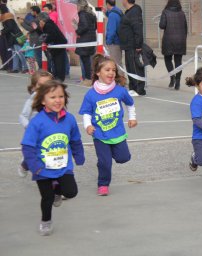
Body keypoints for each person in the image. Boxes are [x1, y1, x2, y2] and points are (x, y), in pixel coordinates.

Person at [21, 80, 85, 236]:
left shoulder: (69, 119)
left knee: (71, 192)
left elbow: (75, 139)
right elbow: (27, 146)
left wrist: (79, 155)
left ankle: (58, 190)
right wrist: (34, 166)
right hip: (42, 168)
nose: (58, 100)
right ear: (43, 100)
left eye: (61, 96)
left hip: (63, 166)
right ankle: (46, 221)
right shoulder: (37, 122)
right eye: (52, 97)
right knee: (47, 198)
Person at [79, 54, 137, 196]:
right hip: (100, 134)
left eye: (113, 70)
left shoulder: (120, 90)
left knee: (124, 158)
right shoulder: (91, 94)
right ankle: (103, 184)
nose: (111, 73)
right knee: (105, 162)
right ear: (98, 72)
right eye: (107, 70)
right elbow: (86, 112)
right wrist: (87, 126)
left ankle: (106, 159)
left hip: (117, 132)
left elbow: (130, 104)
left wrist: (132, 117)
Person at [18, 70, 53, 177]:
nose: (44, 88)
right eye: (40, 85)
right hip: (34, 133)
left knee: (50, 155)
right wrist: (29, 127)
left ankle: (54, 182)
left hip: (49, 132)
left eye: (47, 85)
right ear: (34, 87)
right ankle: (25, 165)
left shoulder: (55, 98)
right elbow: (22, 116)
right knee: (33, 155)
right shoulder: (32, 100)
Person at [119, 0, 146, 96]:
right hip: (127, 45)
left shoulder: (135, 12)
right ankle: (133, 87)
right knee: (130, 67)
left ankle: (139, 89)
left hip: (133, 46)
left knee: (135, 67)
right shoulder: (129, 12)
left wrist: (138, 45)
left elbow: (138, 29)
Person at [159, 0, 187, 91]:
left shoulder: (165, 12)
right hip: (180, 40)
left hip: (168, 39)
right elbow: (185, 27)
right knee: (178, 61)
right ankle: (178, 82)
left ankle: (172, 78)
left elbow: (162, 25)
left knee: (168, 59)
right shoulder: (182, 13)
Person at [35, 12, 67, 82]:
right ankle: (56, 76)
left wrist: (46, 40)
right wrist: (38, 29)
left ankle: (60, 77)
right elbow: (44, 36)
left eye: (39, 20)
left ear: (42, 20)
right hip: (56, 45)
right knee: (56, 62)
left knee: (59, 62)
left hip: (58, 45)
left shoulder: (48, 25)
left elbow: (50, 36)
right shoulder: (48, 25)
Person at [73, 0, 97, 86]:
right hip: (91, 39)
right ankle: (89, 78)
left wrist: (77, 30)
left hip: (84, 40)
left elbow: (84, 26)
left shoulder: (83, 14)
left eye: (77, 6)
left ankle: (88, 79)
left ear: (80, 6)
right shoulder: (91, 14)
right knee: (88, 60)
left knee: (85, 60)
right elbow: (95, 26)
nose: (76, 8)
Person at [0, 5, 28, 73]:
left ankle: (25, 67)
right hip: (12, 38)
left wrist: (2, 32)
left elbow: (10, 27)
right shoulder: (7, 17)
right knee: (14, 53)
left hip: (15, 38)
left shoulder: (7, 17)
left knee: (19, 53)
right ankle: (16, 68)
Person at [105, 0, 123, 70]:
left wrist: (108, 42)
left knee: (116, 64)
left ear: (107, 4)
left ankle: (120, 80)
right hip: (119, 41)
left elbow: (111, 31)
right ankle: (121, 79)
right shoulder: (118, 11)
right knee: (118, 62)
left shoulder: (112, 15)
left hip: (114, 43)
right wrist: (106, 13)